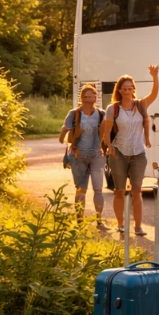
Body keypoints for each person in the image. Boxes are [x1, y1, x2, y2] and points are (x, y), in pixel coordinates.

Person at [100, 65, 159, 236]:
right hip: (118, 153)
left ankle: (138, 227)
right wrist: (109, 147)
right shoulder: (113, 108)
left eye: (130, 87)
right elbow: (106, 132)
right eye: (124, 87)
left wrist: (154, 76)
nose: (127, 90)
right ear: (119, 90)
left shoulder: (141, 105)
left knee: (137, 190)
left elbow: (154, 94)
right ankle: (121, 224)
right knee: (119, 191)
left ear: (134, 88)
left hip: (138, 153)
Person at [61, 83, 108, 229]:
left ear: (96, 97)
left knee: (98, 188)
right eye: (85, 96)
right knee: (81, 188)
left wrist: (108, 147)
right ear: (81, 98)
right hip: (78, 154)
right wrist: (64, 135)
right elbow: (64, 129)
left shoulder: (101, 114)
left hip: (96, 155)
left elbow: (107, 132)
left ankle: (99, 220)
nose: (88, 99)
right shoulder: (74, 113)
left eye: (91, 96)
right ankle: (80, 221)